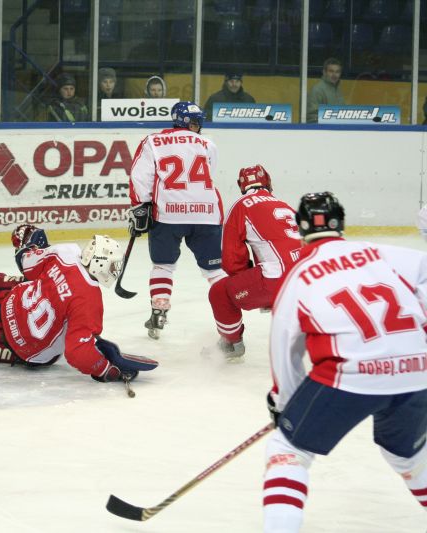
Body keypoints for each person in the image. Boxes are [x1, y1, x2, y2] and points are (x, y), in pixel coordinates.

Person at [263, 192, 427, 531]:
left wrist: (284, 403)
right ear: (341, 223)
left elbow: (284, 346)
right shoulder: (382, 252)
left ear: (300, 228)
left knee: (288, 450)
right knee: (408, 455)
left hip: (349, 375)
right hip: (417, 370)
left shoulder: (299, 276)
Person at [0, 225, 158, 382]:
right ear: (99, 262)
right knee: (57, 321)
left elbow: (27, 264)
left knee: (5, 283)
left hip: (13, 303)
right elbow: (77, 352)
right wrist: (105, 370)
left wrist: (30, 245)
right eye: (113, 265)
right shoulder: (90, 301)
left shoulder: (65, 252)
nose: (115, 271)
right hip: (29, 347)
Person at [128, 101, 226, 339]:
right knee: (214, 270)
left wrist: (140, 205)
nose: (198, 126)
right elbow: (210, 173)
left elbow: (139, 177)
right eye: (195, 122)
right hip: (207, 213)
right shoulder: (208, 143)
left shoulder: (153, 141)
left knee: (163, 266)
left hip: (168, 214)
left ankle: (159, 311)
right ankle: (229, 314)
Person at [207, 164, 301, 361]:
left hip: (276, 280)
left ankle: (231, 343)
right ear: (268, 182)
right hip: (307, 278)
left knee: (219, 292)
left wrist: (246, 278)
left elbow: (231, 259)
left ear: (241, 186)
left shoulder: (240, 205)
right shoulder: (285, 205)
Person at [306, 57, 345, 124]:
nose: (334, 75)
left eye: (337, 72)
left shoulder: (337, 90)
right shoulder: (317, 90)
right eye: (331, 71)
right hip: (322, 129)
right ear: (324, 72)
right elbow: (312, 117)